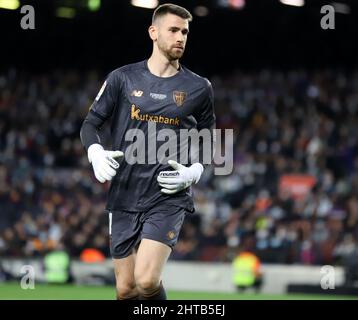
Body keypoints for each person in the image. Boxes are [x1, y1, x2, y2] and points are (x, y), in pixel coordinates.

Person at [80, 3, 216, 300]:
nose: (181, 37)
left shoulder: (199, 87)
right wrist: (95, 152)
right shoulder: (122, 78)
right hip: (124, 193)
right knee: (126, 289)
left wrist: (195, 171)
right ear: (153, 32)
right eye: (174, 30)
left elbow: (209, 137)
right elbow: (91, 123)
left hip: (167, 195)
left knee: (145, 280)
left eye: (185, 32)